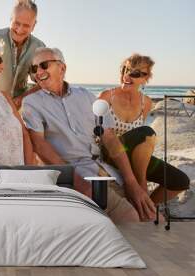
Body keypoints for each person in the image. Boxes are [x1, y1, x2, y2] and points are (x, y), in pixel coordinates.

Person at [22, 47, 158, 223]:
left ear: (62, 68)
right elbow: (39, 146)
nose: (38, 72)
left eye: (44, 65)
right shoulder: (32, 103)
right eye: (34, 69)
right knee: (132, 219)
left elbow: (109, 138)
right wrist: (77, 181)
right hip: (80, 176)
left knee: (156, 219)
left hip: (106, 171)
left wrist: (131, 181)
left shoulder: (86, 96)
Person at [98, 54, 189, 205]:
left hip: (132, 155)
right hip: (110, 153)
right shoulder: (107, 96)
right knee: (146, 132)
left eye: (134, 73)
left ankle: (147, 206)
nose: (127, 75)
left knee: (180, 180)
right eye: (125, 69)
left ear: (145, 78)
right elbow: (97, 130)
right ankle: (142, 187)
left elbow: (139, 139)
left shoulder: (145, 103)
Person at [0, 0, 45, 108]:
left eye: (26, 25)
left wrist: (21, 99)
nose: (20, 30)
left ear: (34, 25)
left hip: (21, 107)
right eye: (16, 23)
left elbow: (43, 81)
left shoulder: (39, 48)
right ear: (10, 19)